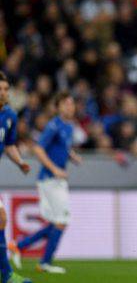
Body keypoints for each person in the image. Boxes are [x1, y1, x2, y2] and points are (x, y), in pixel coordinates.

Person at [9, 92, 82, 274]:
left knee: (56, 222)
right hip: (49, 179)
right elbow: (38, 149)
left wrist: (71, 156)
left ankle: (19, 246)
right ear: (57, 107)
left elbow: (63, 147)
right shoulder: (53, 125)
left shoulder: (69, 126)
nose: (70, 107)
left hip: (57, 180)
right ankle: (44, 263)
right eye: (66, 104)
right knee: (62, 220)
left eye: (71, 104)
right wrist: (55, 168)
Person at [0, 72, 32, 283]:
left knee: (1, 220)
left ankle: (8, 275)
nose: (4, 93)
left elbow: (9, 144)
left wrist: (20, 162)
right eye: (1, 89)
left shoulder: (10, 115)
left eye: (6, 89)